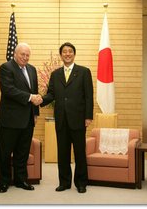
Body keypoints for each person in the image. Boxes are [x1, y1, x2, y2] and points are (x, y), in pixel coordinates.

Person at [41, 42, 94, 193]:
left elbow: (89, 96)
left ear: (74, 54)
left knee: (79, 153)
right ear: (61, 55)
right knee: (62, 153)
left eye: (70, 51)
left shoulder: (84, 72)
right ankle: (64, 182)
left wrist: (88, 116)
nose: (67, 54)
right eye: (64, 52)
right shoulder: (55, 74)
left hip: (78, 119)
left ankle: (81, 182)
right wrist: (40, 100)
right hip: (62, 120)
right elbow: (51, 94)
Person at [0, 42, 42, 193]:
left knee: (22, 152)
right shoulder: (6, 68)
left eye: (28, 55)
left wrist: (35, 112)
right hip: (10, 119)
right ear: (15, 54)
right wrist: (30, 98)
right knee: (5, 152)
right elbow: (8, 90)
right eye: (22, 54)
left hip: (27, 119)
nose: (25, 57)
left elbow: (34, 91)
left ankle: (21, 180)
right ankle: (4, 182)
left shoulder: (32, 69)